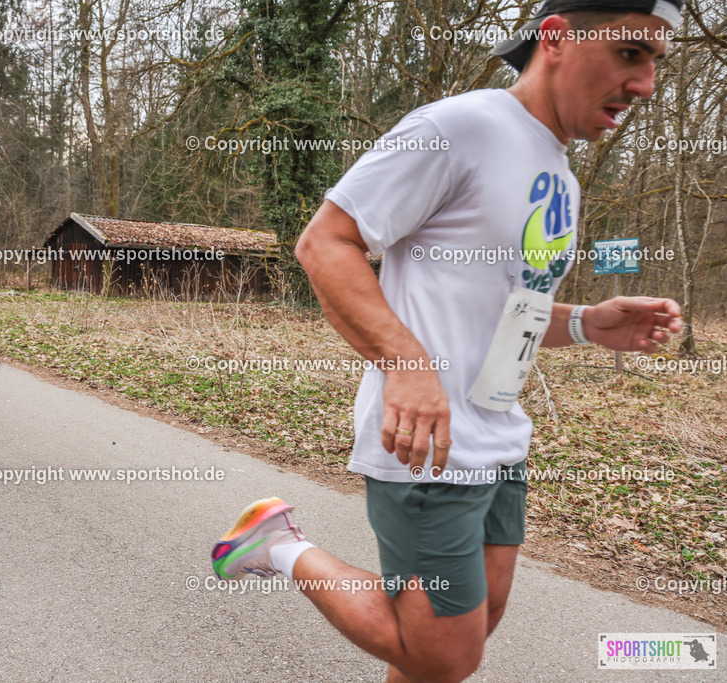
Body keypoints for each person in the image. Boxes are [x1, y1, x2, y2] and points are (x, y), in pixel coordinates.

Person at [211, 1, 684, 680]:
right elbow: (325, 243)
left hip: (498, 436)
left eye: (656, 64)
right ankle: (276, 544)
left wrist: (586, 322)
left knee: (476, 615)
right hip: (427, 446)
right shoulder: (459, 126)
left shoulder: (564, 179)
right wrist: (407, 365)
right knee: (444, 652)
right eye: (631, 53)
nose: (645, 85)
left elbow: (508, 315)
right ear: (555, 39)